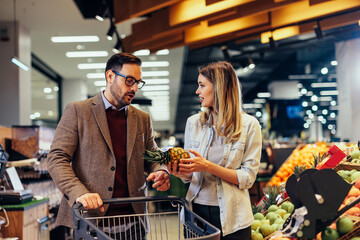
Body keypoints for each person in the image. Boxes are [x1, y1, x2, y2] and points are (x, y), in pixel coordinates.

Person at [47, 53, 170, 239]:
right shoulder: (78, 111)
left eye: (138, 82)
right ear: (110, 76)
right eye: (129, 81)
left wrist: (161, 170)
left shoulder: (143, 118)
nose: (135, 88)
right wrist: (79, 193)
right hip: (91, 221)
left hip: (134, 223)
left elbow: (152, 155)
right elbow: (56, 158)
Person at [168, 61, 262, 240]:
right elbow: (191, 175)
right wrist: (180, 171)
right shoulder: (194, 123)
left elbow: (248, 178)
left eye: (202, 85)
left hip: (234, 217)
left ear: (219, 87)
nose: (197, 91)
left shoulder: (249, 125)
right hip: (196, 214)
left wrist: (208, 166)